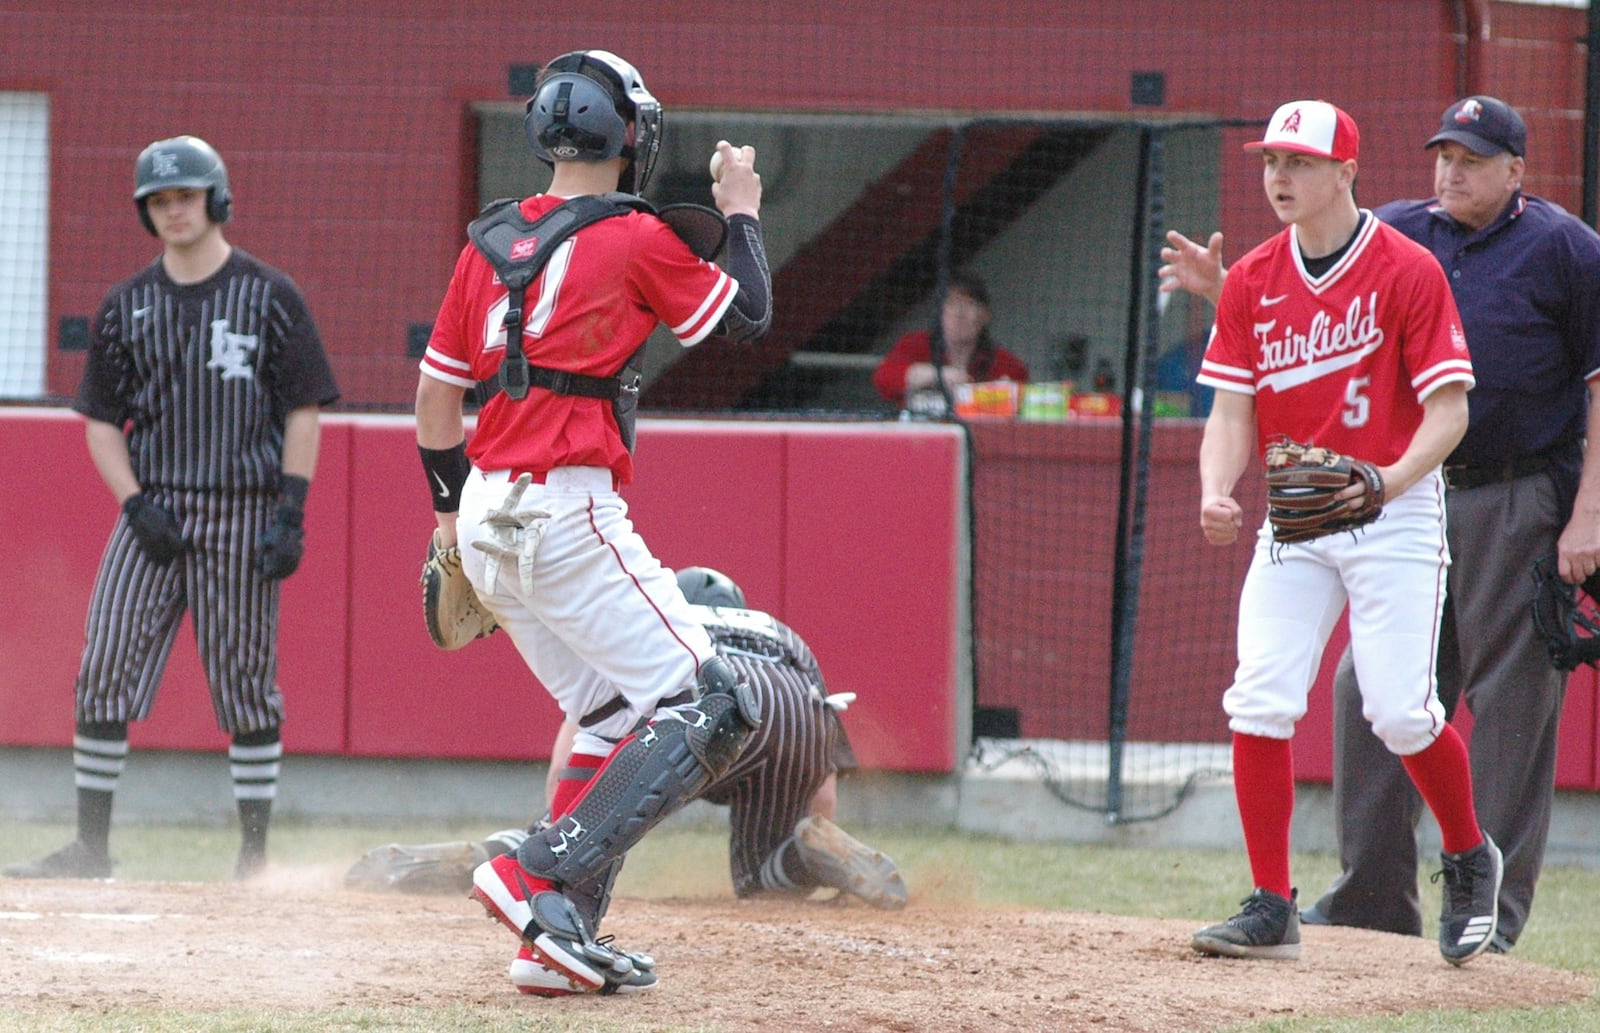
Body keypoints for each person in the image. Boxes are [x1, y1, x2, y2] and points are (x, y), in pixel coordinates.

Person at [1161, 96, 1600, 954]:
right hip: (1297, 513)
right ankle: (1269, 902)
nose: (1279, 177)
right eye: (1271, 162)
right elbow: (1231, 409)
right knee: (1261, 696)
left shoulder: (1408, 266)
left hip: (1400, 513)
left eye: (1299, 163)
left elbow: (1449, 411)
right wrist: (1219, 487)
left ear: (1345, 172)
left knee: (1401, 709)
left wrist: (1388, 483)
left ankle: (1472, 858)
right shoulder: (1254, 276)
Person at [413, 50, 773, 997]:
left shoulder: (485, 241)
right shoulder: (633, 233)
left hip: (486, 504)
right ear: (630, 139)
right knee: (714, 701)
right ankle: (538, 872)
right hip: (567, 503)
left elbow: (434, 406)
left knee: (616, 711)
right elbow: (747, 318)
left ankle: (554, 940)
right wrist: (741, 209)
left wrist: (451, 515)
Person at [3, 135, 340, 883]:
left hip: (244, 509)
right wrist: (134, 503)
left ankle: (254, 856)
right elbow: (98, 420)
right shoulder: (127, 305)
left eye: (185, 195)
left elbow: (304, 408)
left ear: (215, 199)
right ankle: (91, 847)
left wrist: (291, 511)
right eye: (159, 200)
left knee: (246, 681)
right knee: (103, 665)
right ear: (145, 213)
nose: (174, 210)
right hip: (154, 509)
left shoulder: (269, 295)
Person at [345, 568, 908, 995]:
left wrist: (560, 823)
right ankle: (812, 851)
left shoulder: (666, 629)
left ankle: (482, 856)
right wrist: (807, 828)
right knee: (766, 874)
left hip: (701, 694)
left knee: (569, 836)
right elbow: (823, 775)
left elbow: (590, 723)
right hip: (789, 711)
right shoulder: (782, 634)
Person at [871, 271, 1029, 413]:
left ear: (985, 315)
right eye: (951, 304)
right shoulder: (914, 344)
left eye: (969, 304)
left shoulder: (1007, 364)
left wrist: (1003, 394)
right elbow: (884, 378)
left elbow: (1023, 399)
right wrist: (938, 374)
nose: (959, 313)